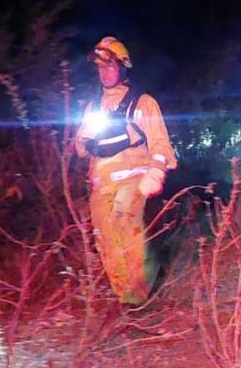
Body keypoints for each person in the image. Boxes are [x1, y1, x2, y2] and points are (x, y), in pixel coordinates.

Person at [75, 36, 177, 305]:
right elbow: (80, 146)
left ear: (123, 67)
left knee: (124, 222)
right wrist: (85, 142)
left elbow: (161, 146)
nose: (104, 72)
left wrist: (153, 175)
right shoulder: (92, 108)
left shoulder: (142, 103)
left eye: (109, 66)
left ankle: (142, 293)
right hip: (102, 184)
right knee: (105, 238)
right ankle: (125, 297)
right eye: (99, 67)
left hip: (133, 179)